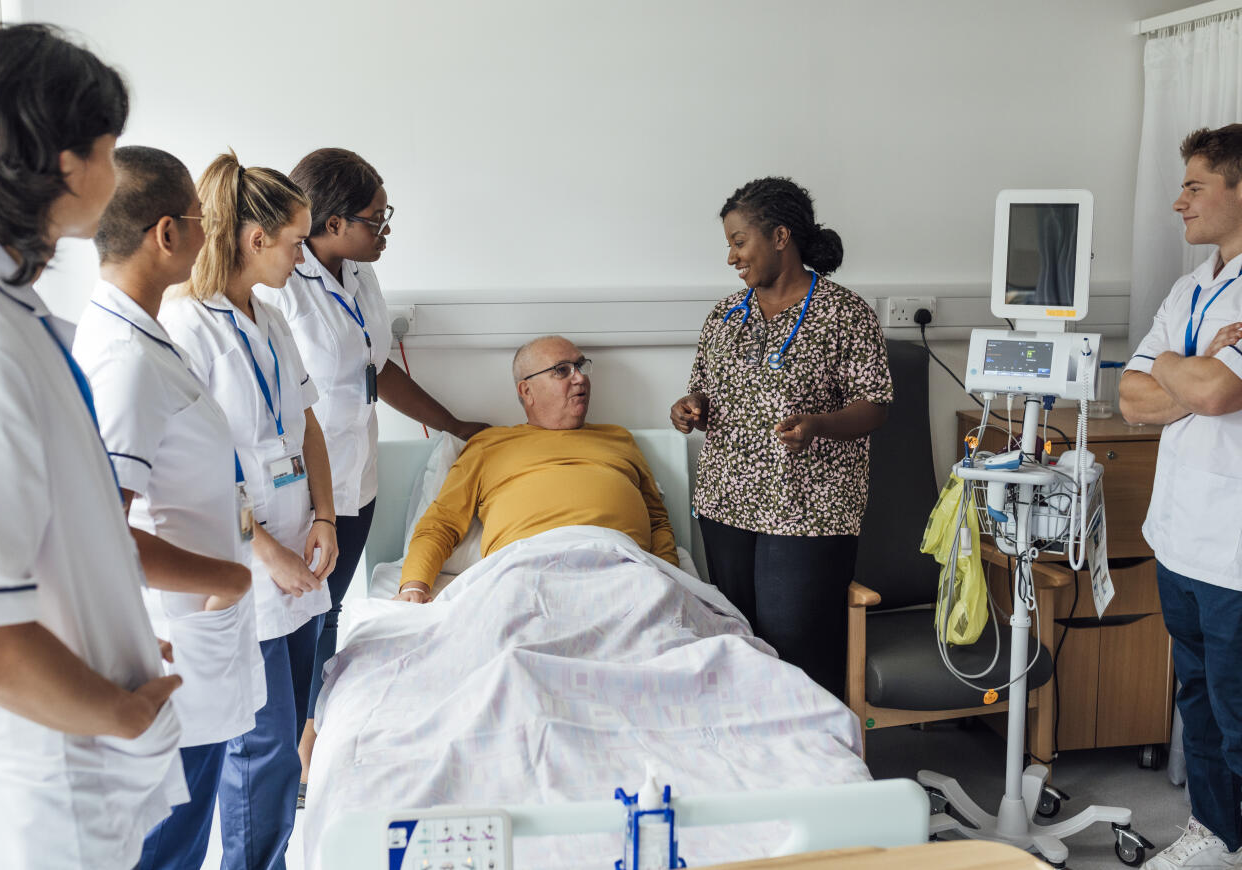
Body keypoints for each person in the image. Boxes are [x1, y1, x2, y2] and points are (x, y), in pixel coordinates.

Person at [0, 23, 185, 869]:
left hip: (74, 752)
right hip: (31, 789)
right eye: (109, 150)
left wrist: (117, 636)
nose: (117, 174)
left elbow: (59, 531)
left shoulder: (8, 308)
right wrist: (120, 709)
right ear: (67, 166)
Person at [1121, 124, 1242, 870]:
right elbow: (1134, 399)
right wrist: (1190, 368)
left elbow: (1220, 392)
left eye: (1194, 187)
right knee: (1198, 705)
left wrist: (1183, 368)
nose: (1178, 202)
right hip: (1181, 533)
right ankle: (1218, 834)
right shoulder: (1191, 285)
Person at [258, 147, 487, 790]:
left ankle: (312, 748)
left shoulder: (359, 273)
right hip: (301, 485)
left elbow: (374, 367)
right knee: (295, 620)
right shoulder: (282, 289)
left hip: (355, 475)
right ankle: (285, 762)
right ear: (331, 223)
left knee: (327, 612)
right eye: (375, 219)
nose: (384, 231)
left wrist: (454, 424)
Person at [72, 146, 263, 870]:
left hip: (196, 632)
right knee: (167, 853)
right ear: (165, 234)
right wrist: (231, 578)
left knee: (180, 845)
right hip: (179, 640)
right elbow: (99, 533)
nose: (211, 231)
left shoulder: (146, 337)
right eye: (201, 218)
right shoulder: (126, 362)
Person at [160, 152, 338, 869]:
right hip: (248, 564)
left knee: (289, 738)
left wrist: (325, 516)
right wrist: (266, 551)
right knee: (260, 751)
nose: (303, 255)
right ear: (254, 239)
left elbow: (308, 426)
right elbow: (195, 470)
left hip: (300, 551)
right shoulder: (186, 328)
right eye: (295, 241)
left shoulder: (267, 316)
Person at [670, 177, 890, 699]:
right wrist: (690, 408)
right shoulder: (725, 315)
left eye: (739, 241)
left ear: (780, 237)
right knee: (737, 639)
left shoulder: (844, 313)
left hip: (808, 509)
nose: (731, 257)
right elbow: (703, 388)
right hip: (727, 503)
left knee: (797, 646)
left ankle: (818, 764)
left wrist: (819, 425)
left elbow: (875, 404)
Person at [395, 335, 677, 599]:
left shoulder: (619, 439)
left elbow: (657, 521)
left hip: (625, 574)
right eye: (562, 370)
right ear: (526, 390)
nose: (580, 378)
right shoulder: (488, 446)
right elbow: (441, 523)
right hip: (525, 574)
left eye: (580, 366)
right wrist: (414, 586)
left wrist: (672, 581)